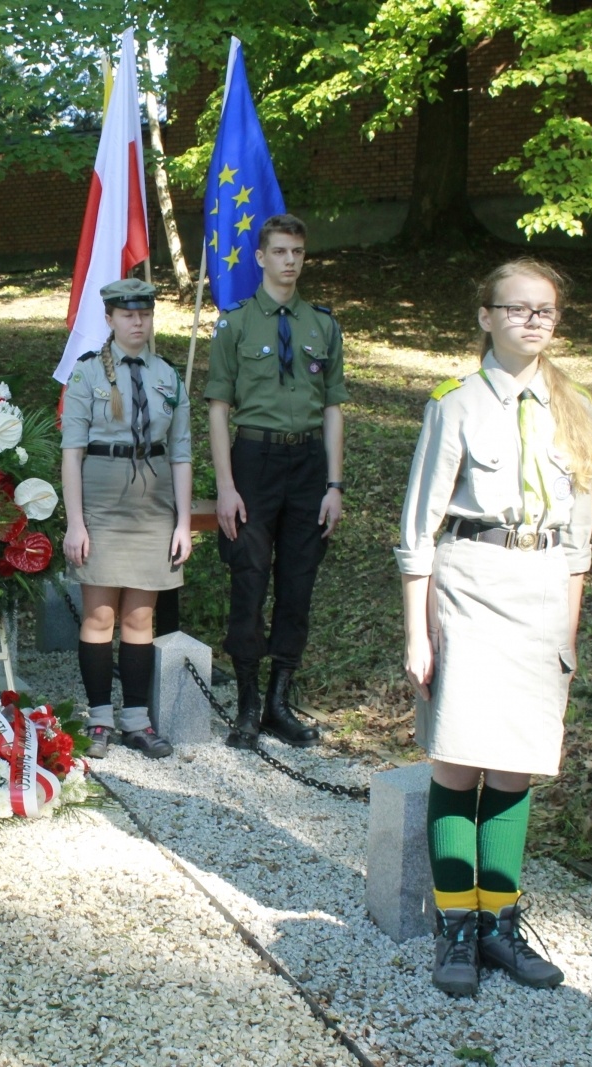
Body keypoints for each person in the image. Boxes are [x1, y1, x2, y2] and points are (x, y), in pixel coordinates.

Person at [396, 258, 592, 997]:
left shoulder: (575, 405)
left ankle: (500, 922)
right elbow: (417, 530)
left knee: (517, 764)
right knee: (459, 760)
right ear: (485, 316)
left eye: (545, 310)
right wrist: (417, 634)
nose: (532, 320)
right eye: (516, 308)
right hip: (469, 588)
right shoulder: (454, 403)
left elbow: (581, 542)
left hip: (540, 595)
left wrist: (569, 634)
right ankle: (456, 924)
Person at [203, 213, 347, 749]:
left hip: (309, 465)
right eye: (281, 252)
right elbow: (219, 408)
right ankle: (245, 705)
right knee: (248, 580)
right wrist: (225, 486)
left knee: (297, 586)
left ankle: (278, 704)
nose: (290, 261)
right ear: (261, 257)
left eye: (298, 253)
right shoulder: (235, 324)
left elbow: (333, 408)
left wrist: (335, 484)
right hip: (254, 464)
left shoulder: (322, 325)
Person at [60, 278, 191, 760]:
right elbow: (71, 454)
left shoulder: (168, 376)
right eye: (128, 314)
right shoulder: (87, 374)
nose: (138, 322)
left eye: (145, 314)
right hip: (101, 498)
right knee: (99, 615)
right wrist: (76, 523)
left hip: (153, 502)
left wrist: (181, 522)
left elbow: (180, 452)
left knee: (140, 617)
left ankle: (136, 719)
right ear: (111, 319)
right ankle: (99, 717)